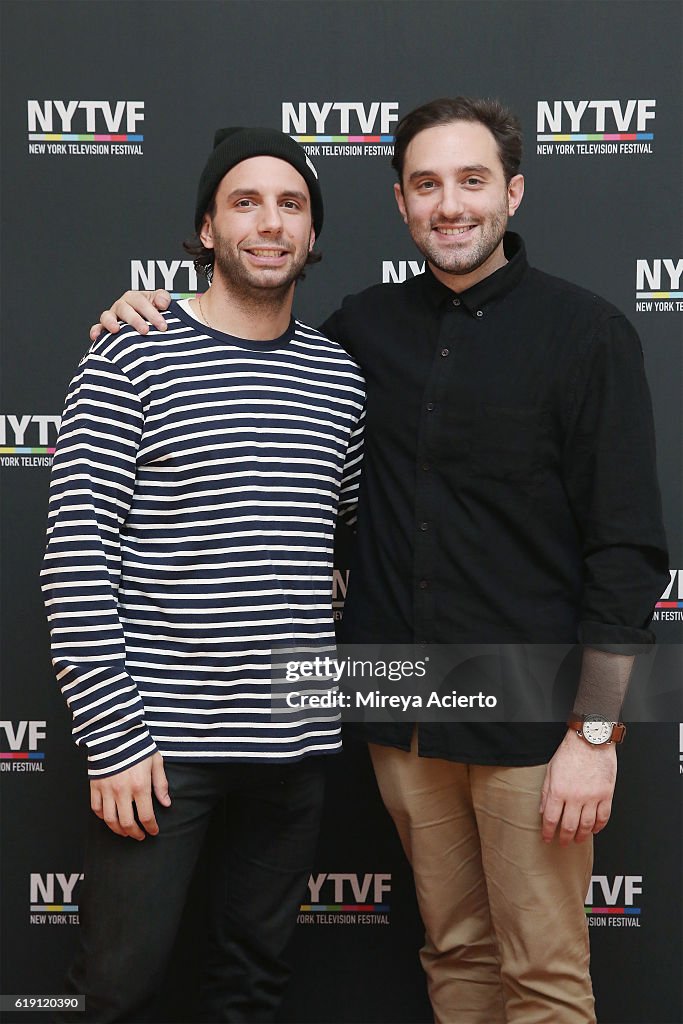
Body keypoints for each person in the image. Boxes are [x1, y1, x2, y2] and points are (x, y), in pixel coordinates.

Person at [90, 97, 668, 1024]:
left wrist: (594, 733)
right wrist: (138, 307)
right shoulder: (358, 336)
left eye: (472, 181)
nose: (450, 205)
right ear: (400, 203)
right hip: (402, 715)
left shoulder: (586, 334)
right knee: (456, 953)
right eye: (426, 184)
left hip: (530, 719)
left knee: (546, 979)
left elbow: (628, 550)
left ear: (511, 192)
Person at [42, 126, 365, 1023]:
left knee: (251, 988)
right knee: (117, 987)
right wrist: (112, 737)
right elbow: (74, 561)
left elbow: (336, 542)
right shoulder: (131, 353)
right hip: (157, 747)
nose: (270, 222)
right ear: (208, 227)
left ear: (310, 233)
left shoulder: (339, 380)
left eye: (291, 204)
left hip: (290, 746)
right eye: (246, 201)